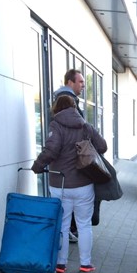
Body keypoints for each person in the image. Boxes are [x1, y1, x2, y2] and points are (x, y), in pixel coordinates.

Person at [31, 94, 107, 273]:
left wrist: (37, 166)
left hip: (60, 184)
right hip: (83, 184)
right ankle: (86, 263)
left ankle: (61, 264)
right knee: (84, 224)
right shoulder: (85, 126)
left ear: (56, 108)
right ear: (74, 107)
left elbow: (52, 149)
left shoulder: (55, 125)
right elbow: (102, 146)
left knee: (63, 224)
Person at [53, 70, 85, 242]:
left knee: (68, 214)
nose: (83, 86)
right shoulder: (66, 98)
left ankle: (61, 262)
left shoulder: (61, 99)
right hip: (71, 165)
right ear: (70, 82)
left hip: (63, 167)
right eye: (80, 82)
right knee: (76, 218)